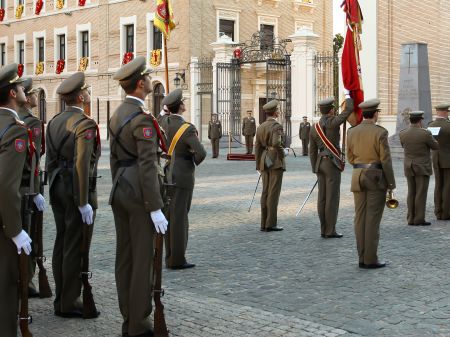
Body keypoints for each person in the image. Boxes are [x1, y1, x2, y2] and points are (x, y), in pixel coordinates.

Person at [109, 56, 168, 337]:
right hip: (139, 192)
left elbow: (114, 160)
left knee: (125, 257)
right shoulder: (141, 118)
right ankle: (139, 324)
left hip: (120, 187)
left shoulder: (117, 113)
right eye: (146, 77)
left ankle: (127, 315)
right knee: (143, 259)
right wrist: (154, 206)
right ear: (141, 83)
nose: (148, 80)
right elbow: (147, 164)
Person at [46, 72, 100, 318]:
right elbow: (82, 163)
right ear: (80, 96)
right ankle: (69, 301)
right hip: (75, 188)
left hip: (57, 184)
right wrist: (83, 201)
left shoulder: (55, 120)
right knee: (74, 245)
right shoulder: (84, 123)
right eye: (86, 90)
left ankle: (60, 297)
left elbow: (50, 160)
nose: (88, 94)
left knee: (61, 241)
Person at [0, 63, 33, 337]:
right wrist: (15, 230)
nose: (24, 89)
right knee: (6, 282)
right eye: (21, 86)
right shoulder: (15, 129)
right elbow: (6, 184)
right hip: (3, 219)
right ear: (13, 93)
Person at [347, 98, 396, 269]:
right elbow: (386, 160)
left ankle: (361, 256)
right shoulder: (380, 132)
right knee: (372, 219)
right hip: (375, 177)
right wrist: (391, 183)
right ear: (375, 114)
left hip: (357, 175)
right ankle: (370, 259)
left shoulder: (351, 132)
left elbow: (350, 157)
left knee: (359, 217)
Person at [163, 88, 206, 269]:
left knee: (168, 216)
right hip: (181, 176)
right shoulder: (187, 128)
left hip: (164, 173)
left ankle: (168, 255)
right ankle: (177, 259)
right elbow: (201, 153)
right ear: (181, 106)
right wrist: (192, 156)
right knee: (180, 218)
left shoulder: (160, 122)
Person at [18, 77, 46, 298]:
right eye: (33, 93)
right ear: (26, 98)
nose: (36, 97)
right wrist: (36, 190)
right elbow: (34, 159)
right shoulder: (32, 123)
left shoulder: (14, 118)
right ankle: (25, 280)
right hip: (28, 187)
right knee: (30, 234)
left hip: (13, 187)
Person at [309, 96, 353, 238]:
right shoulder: (333, 122)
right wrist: (349, 96)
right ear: (331, 110)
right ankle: (330, 230)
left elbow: (311, 151)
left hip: (320, 163)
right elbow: (349, 110)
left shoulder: (314, 128)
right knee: (332, 198)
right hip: (331, 163)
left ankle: (323, 229)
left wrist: (314, 168)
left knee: (322, 198)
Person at [400, 111, 438, 226]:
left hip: (408, 166)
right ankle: (419, 218)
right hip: (422, 166)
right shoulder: (425, 133)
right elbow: (435, 146)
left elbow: (403, 145)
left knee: (411, 192)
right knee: (421, 192)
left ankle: (411, 218)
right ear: (420, 120)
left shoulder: (403, 133)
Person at [255, 99, 287, 232]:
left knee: (265, 192)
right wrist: (283, 153)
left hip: (264, 160)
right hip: (275, 161)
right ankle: (271, 223)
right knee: (273, 193)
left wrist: (258, 165)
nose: (279, 111)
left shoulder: (261, 126)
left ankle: (264, 222)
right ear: (276, 112)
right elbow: (276, 143)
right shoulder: (277, 126)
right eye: (278, 110)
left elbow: (257, 147)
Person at [428, 104, 450, 220]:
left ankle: (438, 211)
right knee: (447, 186)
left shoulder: (431, 125)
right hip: (448, 159)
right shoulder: (448, 126)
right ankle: (446, 213)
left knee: (438, 185)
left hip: (436, 158)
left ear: (437, 112)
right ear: (446, 112)